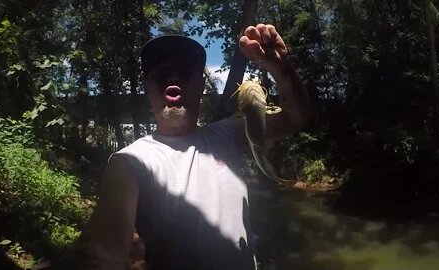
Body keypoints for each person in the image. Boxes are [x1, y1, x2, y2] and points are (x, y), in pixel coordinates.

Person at [71, 24, 311, 270]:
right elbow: (102, 256)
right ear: (148, 88)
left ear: (201, 86)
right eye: (161, 73)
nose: (173, 77)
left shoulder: (227, 134)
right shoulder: (129, 162)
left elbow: (295, 118)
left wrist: (281, 69)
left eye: (185, 71)